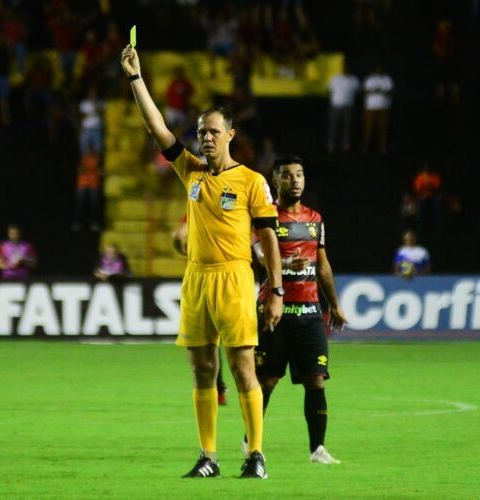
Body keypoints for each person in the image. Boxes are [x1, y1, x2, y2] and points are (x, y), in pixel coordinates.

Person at [121, 44, 283, 479]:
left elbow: (269, 238)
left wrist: (276, 290)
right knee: (202, 369)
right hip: (196, 279)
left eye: (213, 131)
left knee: (242, 366)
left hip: (234, 278)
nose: (205, 137)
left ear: (230, 134)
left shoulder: (251, 180)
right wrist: (136, 77)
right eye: (201, 131)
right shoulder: (190, 171)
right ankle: (208, 457)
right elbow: (157, 128)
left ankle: (255, 455)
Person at [251, 155, 346, 465]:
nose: (295, 180)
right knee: (267, 381)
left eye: (300, 175)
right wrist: (282, 263)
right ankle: (251, 442)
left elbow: (323, 264)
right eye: (288, 175)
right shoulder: (266, 217)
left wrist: (334, 303)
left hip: (309, 312)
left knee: (315, 379)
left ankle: (318, 449)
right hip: (275, 311)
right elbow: (258, 254)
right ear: (275, 181)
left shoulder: (315, 219)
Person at [172, 216, 229, 406]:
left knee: (213, 342)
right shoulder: (198, 208)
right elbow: (180, 235)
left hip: (223, 277)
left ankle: (220, 390)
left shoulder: (198, 210)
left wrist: (180, 240)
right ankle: (220, 390)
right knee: (216, 342)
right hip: (216, 277)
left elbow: (179, 235)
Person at [327, 62, 359, 153]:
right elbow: (330, 90)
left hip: (348, 107)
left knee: (347, 126)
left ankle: (346, 144)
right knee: (333, 126)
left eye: (347, 69)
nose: (346, 70)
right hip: (336, 106)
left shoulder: (354, 80)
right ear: (342, 69)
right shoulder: (335, 78)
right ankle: (331, 143)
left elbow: (357, 91)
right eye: (344, 68)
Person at [362, 65, 394, 154]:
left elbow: (389, 92)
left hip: (384, 108)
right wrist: (379, 91)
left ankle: (383, 148)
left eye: (380, 70)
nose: (378, 71)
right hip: (370, 108)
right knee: (368, 129)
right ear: (375, 70)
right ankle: (366, 147)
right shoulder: (370, 79)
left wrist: (376, 91)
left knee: (383, 129)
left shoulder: (387, 79)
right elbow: (365, 92)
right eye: (377, 70)